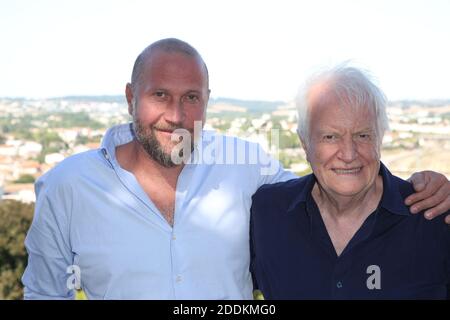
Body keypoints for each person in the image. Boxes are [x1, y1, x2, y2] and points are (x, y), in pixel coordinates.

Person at [22, 38, 450, 299]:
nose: (175, 114)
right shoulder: (67, 188)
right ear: (131, 96)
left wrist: (423, 183)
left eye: (191, 97)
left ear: (207, 99)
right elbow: (44, 294)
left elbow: (338, 179)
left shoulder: (248, 167)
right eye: (159, 95)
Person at [250, 65, 450, 299]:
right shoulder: (266, 212)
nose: (348, 154)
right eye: (330, 137)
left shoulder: (434, 218)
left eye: (362, 135)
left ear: (380, 137)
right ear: (305, 144)